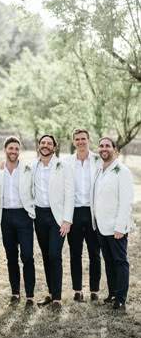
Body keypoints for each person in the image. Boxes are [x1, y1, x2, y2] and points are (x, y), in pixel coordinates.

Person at [32, 134, 74, 311]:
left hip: (57, 217)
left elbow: (70, 194)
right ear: (39, 146)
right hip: (39, 216)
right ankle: (50, 293)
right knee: (46, 255)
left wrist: (67, 220)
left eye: (49, 143)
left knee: (55, 255)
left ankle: (57, 297)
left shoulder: (63, 166)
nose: (45, 145)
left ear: (54, 147)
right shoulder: (33, 165)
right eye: (43, 143)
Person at [91, 137, 134, 310]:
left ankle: (121, 298)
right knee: (108, 261)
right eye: (101, 146)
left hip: (116, 227)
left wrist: (120, 226)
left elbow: (126, 201)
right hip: (101, 225)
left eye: (107, 146)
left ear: (115, 149)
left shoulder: (122, 171)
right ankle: (113, 293)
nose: (103, 149)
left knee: (120, 261)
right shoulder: (99, 170)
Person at [0, 136, 35, 308]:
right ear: (5, 150)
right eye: (10, 148)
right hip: (5, 217)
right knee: (11, 257)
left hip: (24, 215)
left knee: (27, 256)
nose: (13, 151)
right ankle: (15, 293)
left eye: (16, 149)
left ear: (20, 151)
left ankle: (30, 295)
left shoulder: (28, 169)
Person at [65, 128, 101, 302]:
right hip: (74, 213)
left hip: (93, 212)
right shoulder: (67, 162)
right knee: (75, 253)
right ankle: (78, 290)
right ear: (74, 142)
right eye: (77, 139)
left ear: (89, 140)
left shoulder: (98, 160)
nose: (80, 142)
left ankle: (94, 290)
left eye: (83, 139)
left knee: (94, 253)